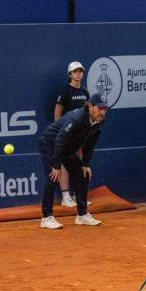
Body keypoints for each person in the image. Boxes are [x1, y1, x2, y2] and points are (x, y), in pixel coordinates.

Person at [38, 94, 108, 229]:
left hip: (67, 148)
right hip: (50, 143)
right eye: (99, 108)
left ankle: (82, 215)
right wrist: (56, 165)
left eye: (105, 108)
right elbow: (60, 140)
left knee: (83, 174)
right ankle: (46, 218)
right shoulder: (76, 119)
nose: (102, 112)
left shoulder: (100, 120)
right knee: (53, 177)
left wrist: (86, 164)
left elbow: (91, 143)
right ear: (90, 106)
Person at [54, 61, 90, 207]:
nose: (78, 74)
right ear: (70, 74)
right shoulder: (65, 92)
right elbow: (57, 115)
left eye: (80, 71)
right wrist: (62, 131)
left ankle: (78, 195)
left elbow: (88, 113)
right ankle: (65, 197)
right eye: (75, 71)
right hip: (67, 133)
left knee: (79, 162)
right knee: (64, 162)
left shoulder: (85, 91)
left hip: (80, 134)